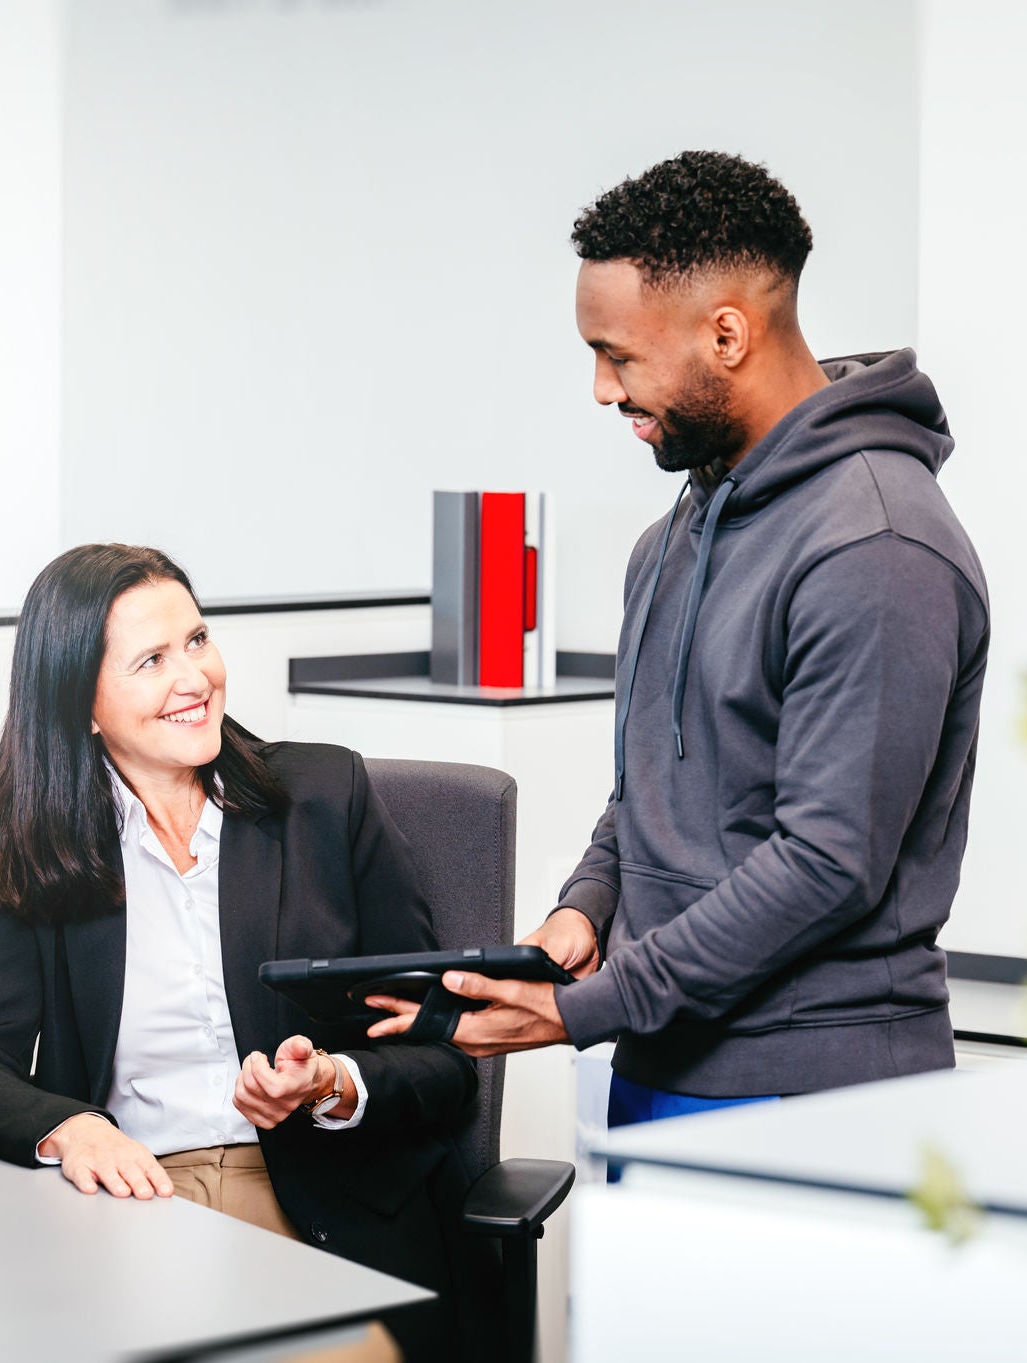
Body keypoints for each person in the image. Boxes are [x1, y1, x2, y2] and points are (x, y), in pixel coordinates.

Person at [370, 151, 989, 1129]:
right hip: (663, 1060)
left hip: (815, 1091)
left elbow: (826, 864)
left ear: (727, 334)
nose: (599, 388)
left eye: (616, 353)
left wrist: (580, 1011)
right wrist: (586, 907)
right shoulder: (669, 544)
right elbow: (647, 795)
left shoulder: (874, 545)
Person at [0, 543, 484, 1361]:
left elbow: (445, 1048)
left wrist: (334, 1081)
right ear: (83, 703)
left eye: (197, 640)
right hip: (138, 1200)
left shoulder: (326, 798)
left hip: (314, 1198)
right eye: (151, 659)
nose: (194, 677)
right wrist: (75, 1129)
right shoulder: (50, 849)